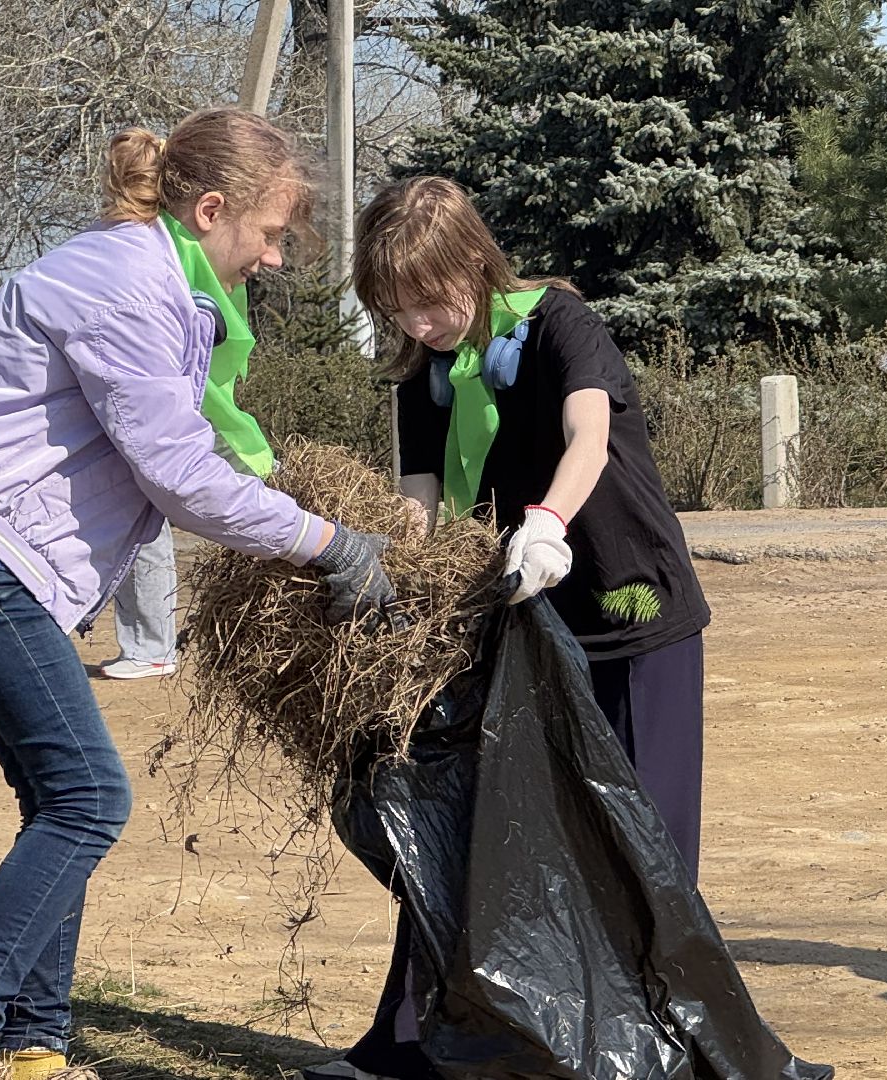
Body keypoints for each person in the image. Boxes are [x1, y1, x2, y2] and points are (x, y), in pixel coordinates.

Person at [0, 107, 397, 1080]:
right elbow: (179, 477)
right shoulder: (132, 287)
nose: (275, 258)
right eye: (270, 233)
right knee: (89, 798)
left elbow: (195, 440)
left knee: (55, 800)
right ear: (212, 210)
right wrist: (328, 542)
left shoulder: (149, 277)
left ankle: (36, 1052)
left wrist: (277, 493)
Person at [301, 175, 712, 1080]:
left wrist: (548, 523)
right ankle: (409, 1044)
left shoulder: (561, 323)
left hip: (628, 611)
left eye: (431, 299)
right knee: (468, 832)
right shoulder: (422, 372)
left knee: (644, 843)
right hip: (517, 622)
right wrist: (398, 591)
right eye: (397, 307)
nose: (419, 323)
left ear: (475, 265)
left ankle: (660, 1048)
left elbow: (588, 437)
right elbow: (416, 504)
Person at [100, 231, 278, 682]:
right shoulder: (160, 242)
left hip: (184, 400)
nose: (272, 258)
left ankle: (150, 646)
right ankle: (150, 644)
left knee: (145, 499)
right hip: (189, 398)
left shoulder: (172, 241)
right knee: (261, 482)